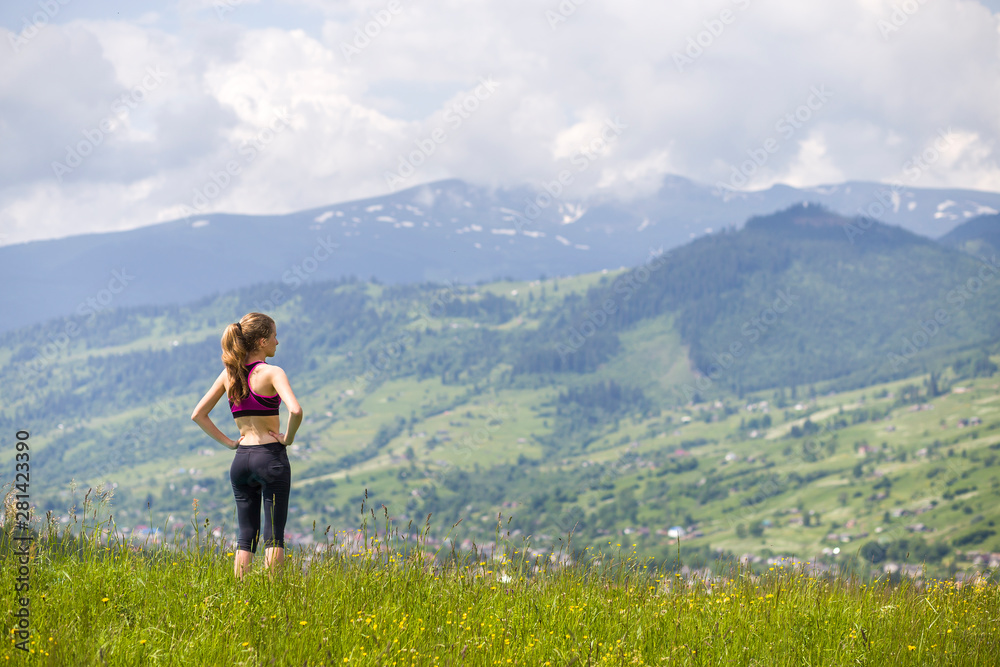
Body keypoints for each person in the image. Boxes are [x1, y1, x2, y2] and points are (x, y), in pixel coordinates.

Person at [190, 312, 303, 579]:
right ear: (262, 341)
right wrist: (288, 437)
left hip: (241, 460)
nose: (278, 341)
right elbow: (295, 410)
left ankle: (240, 595)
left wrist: (230, 443)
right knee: (274, 536)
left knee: (245, 537)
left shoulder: (230, 374)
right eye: (274, 335)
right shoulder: (273, 372)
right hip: (270, 457)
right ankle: (272, 594)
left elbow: (198, 414)